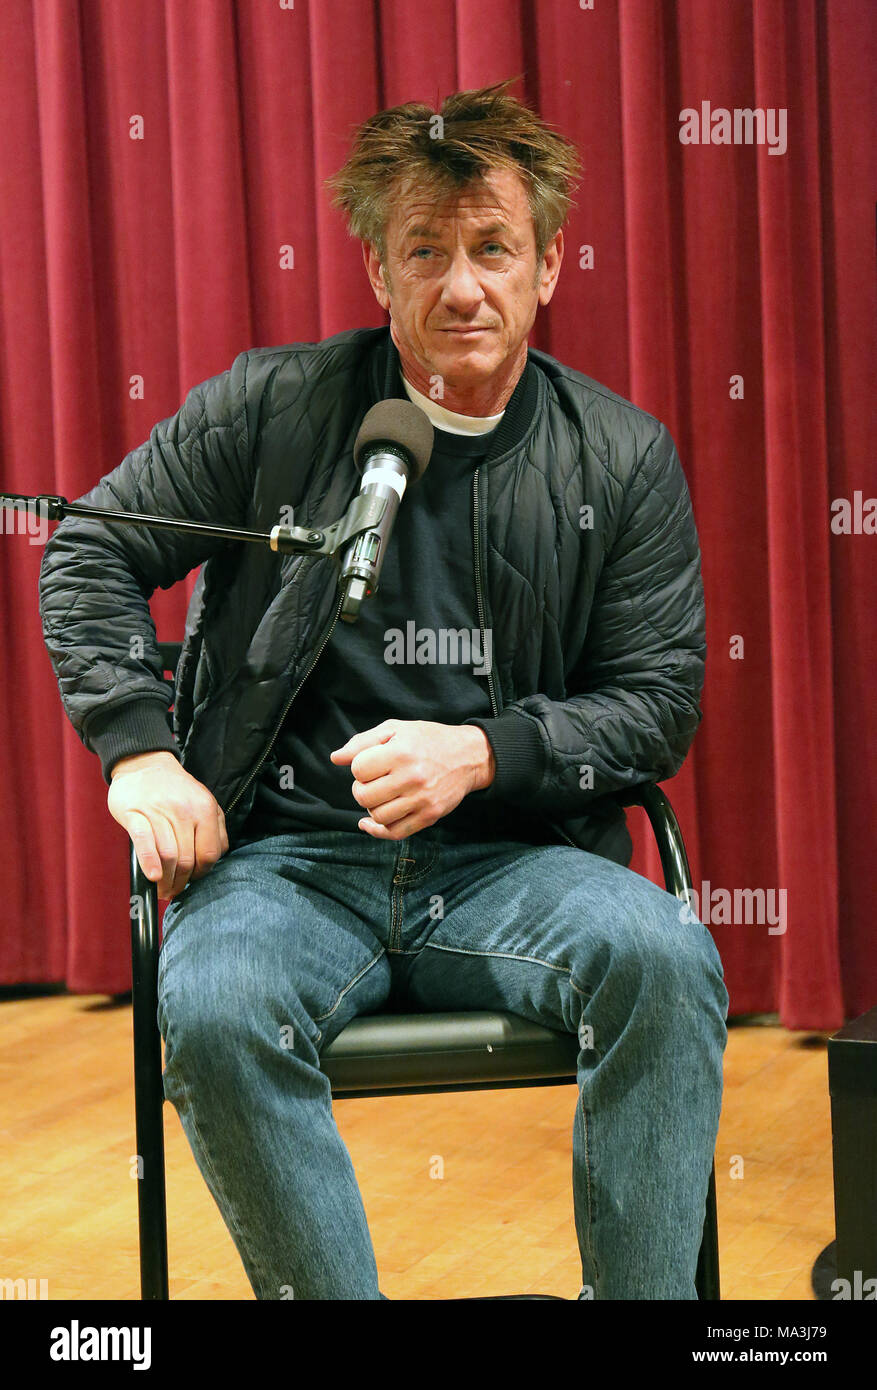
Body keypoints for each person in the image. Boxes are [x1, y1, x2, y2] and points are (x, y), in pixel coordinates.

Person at [39, 79, 728, 1299]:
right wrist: (139, 751)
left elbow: (657, 700)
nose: (462, 286)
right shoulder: (273, 406)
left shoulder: (620, 457)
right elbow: (93, 544)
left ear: (549, 265)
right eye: (426, 250)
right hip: (286, 861)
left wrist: (485, 752)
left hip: (514, 862)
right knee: (216, 1002)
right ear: (375, 268)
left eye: (492, 249)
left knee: (664, 958)